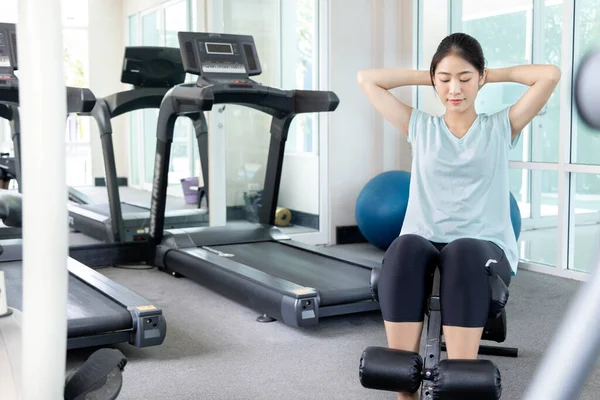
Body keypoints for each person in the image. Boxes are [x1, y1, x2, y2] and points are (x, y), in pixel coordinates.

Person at [357, 32, 560, 400]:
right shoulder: (420, 126)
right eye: (446, 80)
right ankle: (405, 389)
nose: (455, 89)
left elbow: (549, 74)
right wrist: (435, 74)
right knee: (403, 249)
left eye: (465, 79)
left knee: (464, 251)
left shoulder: (501, 126)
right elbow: (367, 79)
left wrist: (484, 73)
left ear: (479, 78)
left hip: (482, 244)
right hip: (425, 237)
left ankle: (457, 386)